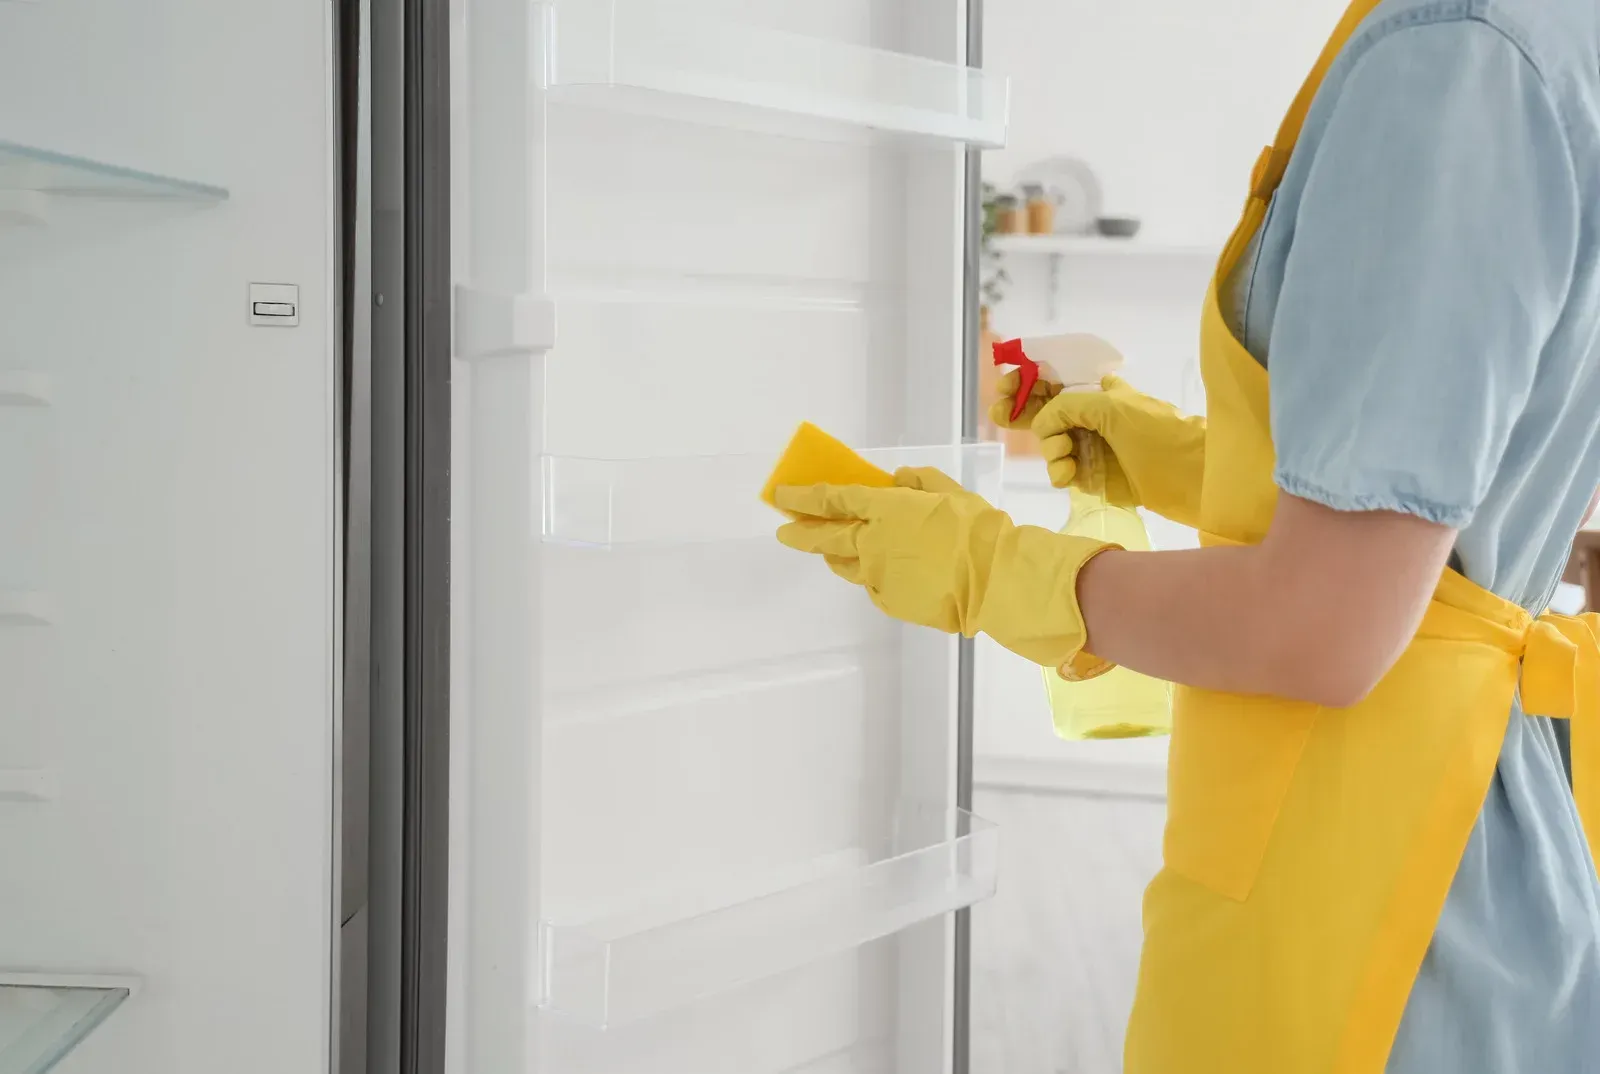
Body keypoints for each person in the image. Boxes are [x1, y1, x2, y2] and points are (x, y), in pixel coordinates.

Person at [774, 0, 1600, 1069]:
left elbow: (1327, 629)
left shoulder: (1458, 62)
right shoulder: (1540, 35)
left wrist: (995, 569)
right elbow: (1459, 500)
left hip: (1376, 890)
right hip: (1469, 857)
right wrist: (1165, 450)